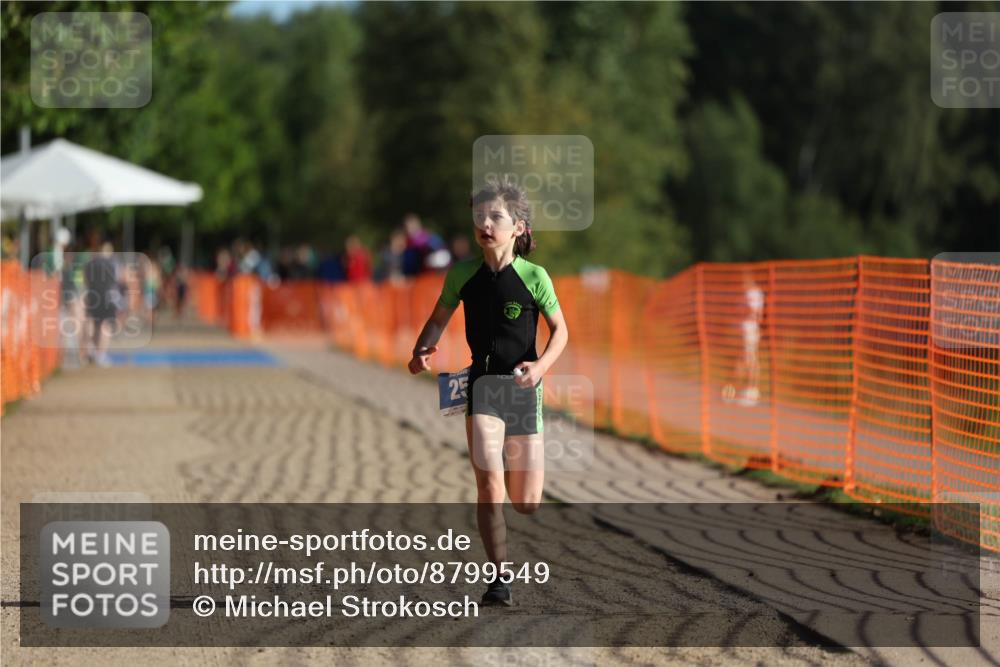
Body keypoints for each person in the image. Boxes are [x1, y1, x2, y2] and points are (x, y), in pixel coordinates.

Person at [407, 176, 568, 607]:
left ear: (518, 227)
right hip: (480, 386)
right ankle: (499, 579)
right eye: (479, 215)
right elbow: (438, 318)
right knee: (488, 484)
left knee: (527, 502)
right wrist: (423, 347)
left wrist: (540, 368)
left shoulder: (535, 276)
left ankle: (527, 476)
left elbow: (562, 332)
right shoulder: (462, 274)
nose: (485, 223)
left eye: (496, 216)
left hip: (522, 389)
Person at [723, 271, 765, 406]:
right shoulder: (743, 292)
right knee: (739, 360)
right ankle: (735, 390)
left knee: (750, 359)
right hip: (741, 331)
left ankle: (752, 391)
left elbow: (755, 313)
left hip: (749, 331)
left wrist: (744, 310)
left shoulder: (753, 293)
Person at [83, 237, 120, 367]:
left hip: (93, 296)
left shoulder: (90, 263)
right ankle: (101, 354)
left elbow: (86, 281)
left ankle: (91, 350)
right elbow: (116, 281)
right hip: (106, 297)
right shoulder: (111, 264)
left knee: (93, 324)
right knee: (106, 326)